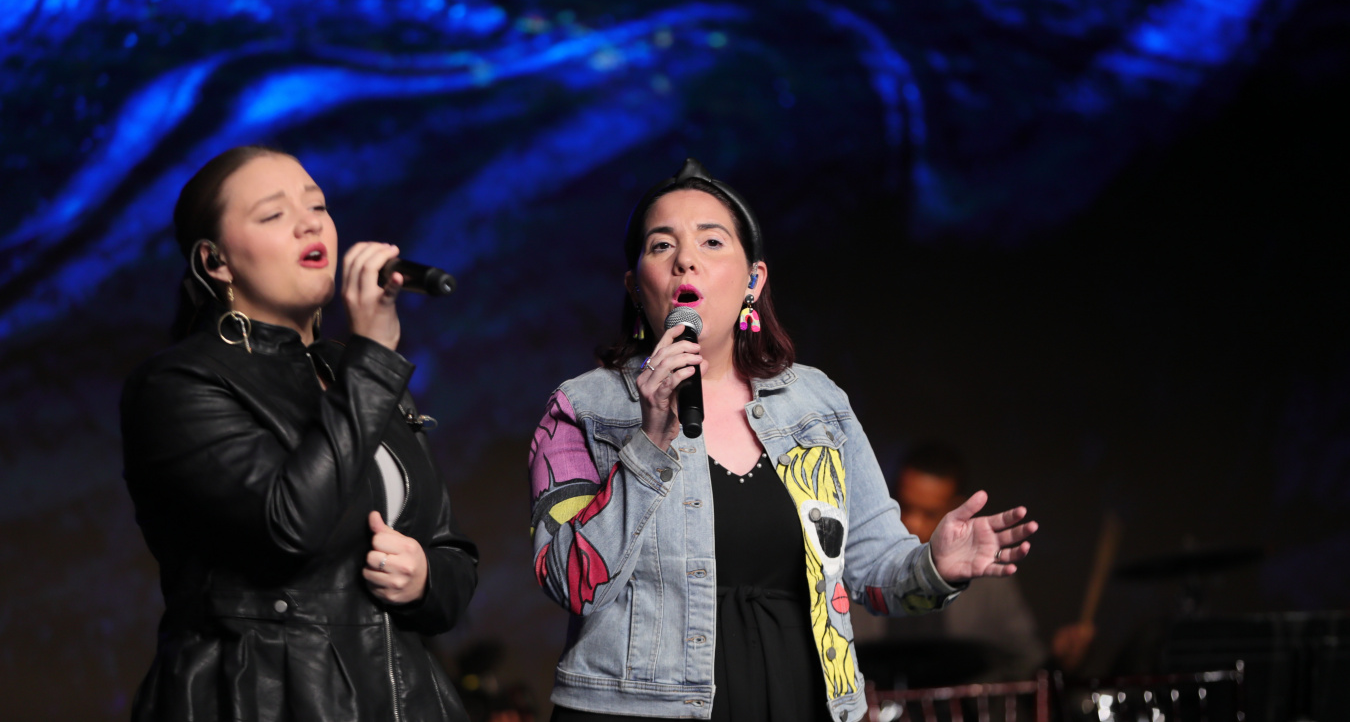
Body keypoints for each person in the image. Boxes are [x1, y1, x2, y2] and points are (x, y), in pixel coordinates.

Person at [527, 159, 1038, 722]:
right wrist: (650, 443)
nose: (685, 259)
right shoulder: (582, 408)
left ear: (753, 280)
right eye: (661, 245)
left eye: (712, 241)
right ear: (634, 285)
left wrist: (935, 566)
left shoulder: (817, 403)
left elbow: (872, 569)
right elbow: (568, 582)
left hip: (800, 699)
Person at [121, 145, 478, 721]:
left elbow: (451, 555)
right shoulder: (177, 384)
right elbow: (288, 529)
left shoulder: (356, 372)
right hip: (262, 699)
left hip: (403, 699)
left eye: (317, 206)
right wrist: (373, 357)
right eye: (273, 214)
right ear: (215, 261)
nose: (310, 224)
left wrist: (424, 578)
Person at [859, 442, 1094, 681]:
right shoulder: (858, 564)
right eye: (904, 507)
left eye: (929, 513)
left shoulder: (987, 582)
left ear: (956, 509)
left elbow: (1028, 665)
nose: (912, 523)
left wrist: (1059, 662)